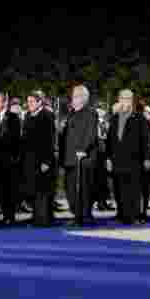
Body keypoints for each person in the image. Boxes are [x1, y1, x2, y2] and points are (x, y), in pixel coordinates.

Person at [106, 90, 150, 225]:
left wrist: (147, 158)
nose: (125, 101)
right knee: (119, 189)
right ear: (119, 100)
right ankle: (122, 214)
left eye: (128, 99)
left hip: (134, 160)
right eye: (123, 98)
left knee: (133, 190)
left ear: (132, 101)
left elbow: (146, 140)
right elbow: (109, 140)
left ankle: (135, 215)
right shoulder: (114, 118)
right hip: (116, 159)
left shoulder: (140, 118)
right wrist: (108, 158)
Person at [60, 84, 98, 227]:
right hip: (69, 158)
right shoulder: (71, 114)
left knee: (81, 188)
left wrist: (83, 149)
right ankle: (77, 213)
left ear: (83, 98)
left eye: (75, 96)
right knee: (70, 188)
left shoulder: (90, 113)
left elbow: (91, 134)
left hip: (82, 158)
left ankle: (81, 216)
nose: (72, 99)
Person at [22, 90, 56, 226]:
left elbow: (50, 140)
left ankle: (44, 218)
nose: (28, 104)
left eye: (31, 102)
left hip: (43, 160)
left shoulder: (47, 116)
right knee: (34, 190)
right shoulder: (28, 116)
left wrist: (47, 161)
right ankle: (36, 216)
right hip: (30, 160)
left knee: (43, 190)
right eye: (28, 101)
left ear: (39, 102)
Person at [0, 91, 22, 225]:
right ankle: (4, 213)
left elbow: (15, 139)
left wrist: (14, 158)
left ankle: (10, 215)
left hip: (8, 160)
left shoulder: (13, 118)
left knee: (9, 190)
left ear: (4, 103)